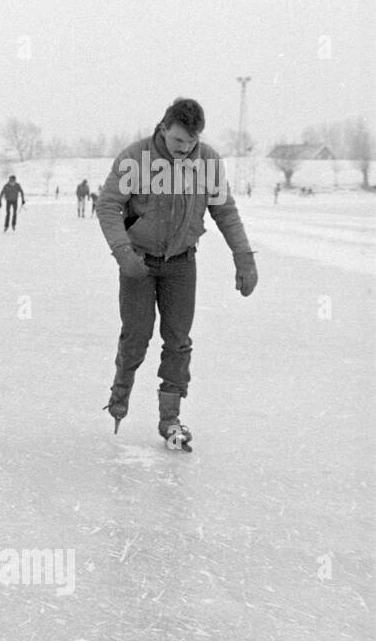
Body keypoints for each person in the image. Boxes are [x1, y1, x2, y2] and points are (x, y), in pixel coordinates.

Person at [97, 97, 257, 450]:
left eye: (192, 142)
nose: (185, 149)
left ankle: (169, 418)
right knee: (136, 336)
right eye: (178, 141)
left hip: (181, 263)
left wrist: (243, 256)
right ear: (163, 127)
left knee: (178, 340)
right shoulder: (135, 158)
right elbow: (108, 205)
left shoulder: (208, 162)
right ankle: (120, 393)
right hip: (138, 262)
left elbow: (225, 212)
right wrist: (123, 253)